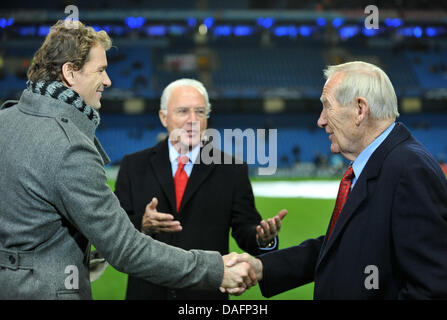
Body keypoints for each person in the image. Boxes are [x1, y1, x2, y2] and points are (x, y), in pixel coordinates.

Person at [0, 20, 255, 300]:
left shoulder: (5, 119)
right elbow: (126, 248)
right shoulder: (70, 147)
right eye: (100, 70)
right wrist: (216, 270)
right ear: (70, 73)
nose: (108, 80)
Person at [225, 61, 447, 299]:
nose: (320, 120)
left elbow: (431, 287)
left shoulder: (409, 169)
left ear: (360, 109)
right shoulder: (379, 163)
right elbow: (340, 246)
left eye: (327, 107)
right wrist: (263, 267)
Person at [114, 78, 287, 300]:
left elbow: (246, 231)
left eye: (200, 112)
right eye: (183, 111)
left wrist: (263, 238)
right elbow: (114, 232)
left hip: (204, 298)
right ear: (163, 117)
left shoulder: (231, 169)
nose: (192, 120)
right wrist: (142, 225)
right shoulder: (133, 166)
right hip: (148, 293)